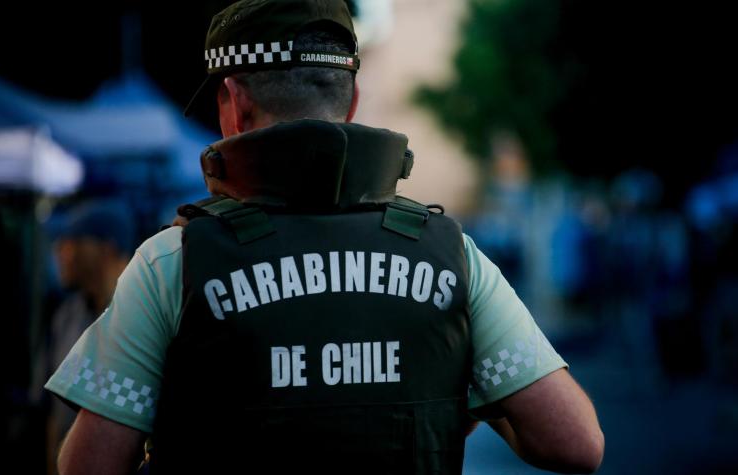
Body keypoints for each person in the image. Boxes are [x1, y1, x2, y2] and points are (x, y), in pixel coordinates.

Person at [45, 1, 604, 473]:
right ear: (352, 101)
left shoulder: (174, 260)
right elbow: (576, 444)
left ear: (235, 104)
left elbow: (86, 468)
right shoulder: (450, 252)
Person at [30, 200, 135, 474]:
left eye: (71, 243)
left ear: (106, 249)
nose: (59, 252)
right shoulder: (66, 316)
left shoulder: (143, 316)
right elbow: (50, 409)